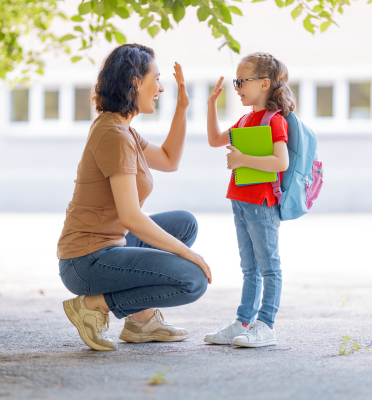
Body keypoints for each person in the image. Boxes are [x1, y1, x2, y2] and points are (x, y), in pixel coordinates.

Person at [57, 44, 211, 352]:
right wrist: (187, 254)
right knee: (192, 280)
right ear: (135, 81)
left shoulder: (122, 129)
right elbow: (130, 216)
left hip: (111, 246)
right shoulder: (114, 135)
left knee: (184, 224)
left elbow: (169, 159)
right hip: (86, 261)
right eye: (156, 78)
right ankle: (95, 304)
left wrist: (182, 109)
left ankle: (141, 322)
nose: (161, 87)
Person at [204, 52, 295, 347]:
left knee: (269, 266)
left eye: (242, 81)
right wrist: (210, 106)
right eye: (236, 81)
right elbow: (215, 140)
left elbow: (279, 163)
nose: (237, 87)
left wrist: (243, 158)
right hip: (241, 201)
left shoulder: (274, 120)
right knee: (249, 267)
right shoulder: (245, 119)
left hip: (262, 204)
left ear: (265, 83)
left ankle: (265, 325)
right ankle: (244, 322)